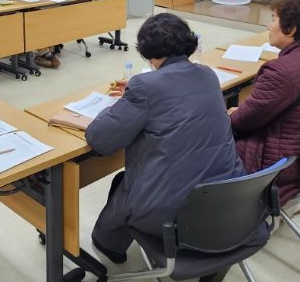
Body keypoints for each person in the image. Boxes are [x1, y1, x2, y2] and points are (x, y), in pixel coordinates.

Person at [85, 13, 256, 264]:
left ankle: (109, 246)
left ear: (148, 52)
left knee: (125, 184)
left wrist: (122, 103)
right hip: (227, 200)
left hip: (174, 212)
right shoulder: (208, 74)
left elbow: (100, 139)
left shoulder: (144, 86)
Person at [229, 0, 300, 209]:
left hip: (284, 163)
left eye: (273, 18)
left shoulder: (280, 71)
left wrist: (232, 114)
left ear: (290, 29)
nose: (268, 26)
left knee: (206, 143)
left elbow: (244, 121)